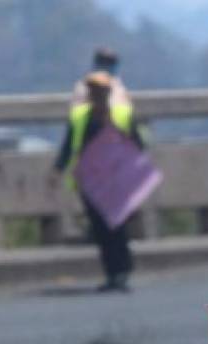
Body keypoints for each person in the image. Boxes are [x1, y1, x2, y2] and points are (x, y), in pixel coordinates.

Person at [52, 71, 143, 292]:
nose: (96, 94)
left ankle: (122, 271)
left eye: (100, 90)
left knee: (117, 228)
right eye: (92, 90)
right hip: (90, 182)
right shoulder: (81, 117)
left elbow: (138, 146)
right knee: (101, 230)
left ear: (108, 92)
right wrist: (57, 170)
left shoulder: (121, 115)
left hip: (115, 181)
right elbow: (68, 146)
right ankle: (112, 273)